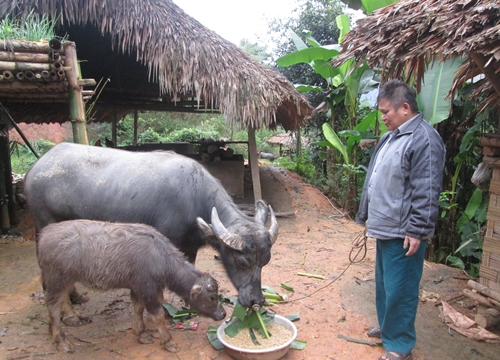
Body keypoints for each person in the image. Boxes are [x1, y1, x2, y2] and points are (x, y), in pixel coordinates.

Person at [356, 79, 445, 360]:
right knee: (384, 284)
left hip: (404, 230)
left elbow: (427, 188)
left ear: (405, 108)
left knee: (402, 288)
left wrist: (418, 229)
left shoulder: (424, 139)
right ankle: (388, 327)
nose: (382, 118)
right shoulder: (392, 136)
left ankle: (400, 345)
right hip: (385, 226)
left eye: (386, 112)